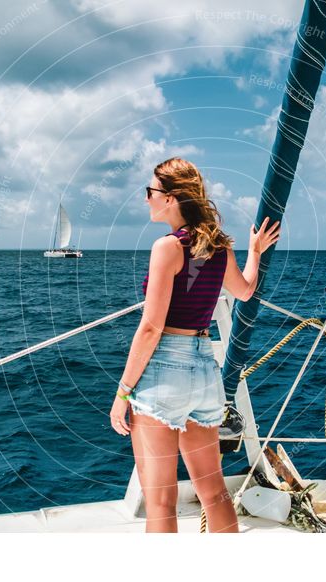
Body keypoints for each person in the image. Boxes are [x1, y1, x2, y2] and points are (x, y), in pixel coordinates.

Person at [109, 157, 280, 533]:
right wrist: (255, 252)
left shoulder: (167, 247)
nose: (146, 199)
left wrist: (123, 393)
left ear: (171, 198)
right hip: (205, 371)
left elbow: (152, 327)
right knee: (214, 492)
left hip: (164, 370)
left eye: (150, 192)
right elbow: (245, 291)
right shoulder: (219, 247)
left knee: (161, 502)